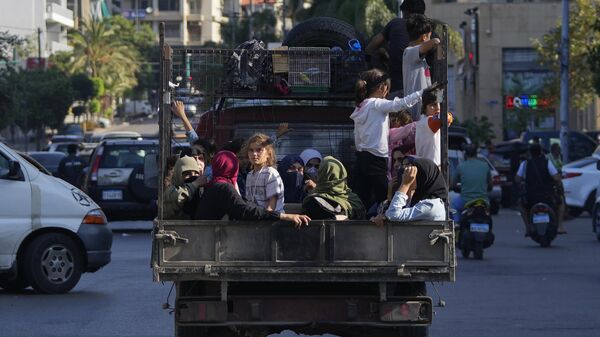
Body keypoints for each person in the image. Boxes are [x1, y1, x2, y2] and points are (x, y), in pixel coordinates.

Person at [351, 68, 429, 210]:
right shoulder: (376, 103)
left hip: (361, 156)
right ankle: (388, 219)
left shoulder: (360, 106)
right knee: (383, 194)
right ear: (383, 88)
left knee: (362, 194)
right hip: (376, 158)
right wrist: (421, 93)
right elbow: (400, 104)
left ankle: (359, 219)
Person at [193, 151, 310, 227]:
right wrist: (283, 216)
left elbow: (243, 204)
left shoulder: (213, 185)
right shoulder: (224, 187)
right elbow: (245, 210)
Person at [366, 0, 427, 96]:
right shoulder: (430, 33)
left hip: (397, 90)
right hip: (422, 92)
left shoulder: (396, 23)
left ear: (406, 12)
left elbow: (371, 47)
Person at [372, 157, 447, 225]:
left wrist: (405, 185)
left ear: (423, 178)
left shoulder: (431, 206)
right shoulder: (419, 200)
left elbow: (393, 214)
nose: (410, 178)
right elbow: (393, 215)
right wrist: (383, 218)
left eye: (414, 176)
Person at [514, 143, 566, 235]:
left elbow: (517, 179)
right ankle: (560, 226)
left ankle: (528, 227)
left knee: (520, 204)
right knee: (561, 201)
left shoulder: (525, 164)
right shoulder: (547, 162)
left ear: (530, 153)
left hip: (530, 197)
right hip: (548, 196)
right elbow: (556, 178)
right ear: (541, 152)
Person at [402, 14, 440, 121]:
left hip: (425, 115)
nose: (430, 39)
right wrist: (436, 41)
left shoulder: (422, 59)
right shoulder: (408, 53)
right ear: (424, 37)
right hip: (414, 115)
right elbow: (433, 43)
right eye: (429, 36)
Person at [450, 145, 492, 223]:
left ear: (465, 154)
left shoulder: (461, 166)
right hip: (483, 201)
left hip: (466, 201)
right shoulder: (485, 166)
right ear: (476, 154)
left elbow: (452, 185)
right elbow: (490, 186)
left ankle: (456, 224)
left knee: (453, 205)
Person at [244, 133, 285, 212]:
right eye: (251, 150)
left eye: (259, 150)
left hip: (271, 220)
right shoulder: (249, 175)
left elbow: (271, 207)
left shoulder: (271, 173)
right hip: (256, 219)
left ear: (268, 154)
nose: (254, 154)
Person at [415, 89, 453, 166]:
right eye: (433, 104)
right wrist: (449, 117)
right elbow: (444, 117)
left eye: (439, 104)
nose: (438, 108)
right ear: (425, 107)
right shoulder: (427, 122)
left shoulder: (424, 121)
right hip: (430, 169)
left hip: (430, 167)